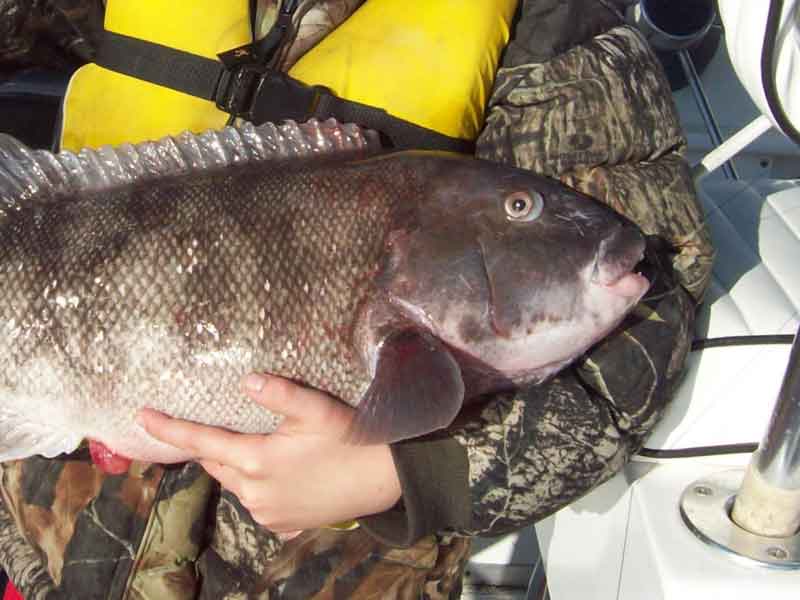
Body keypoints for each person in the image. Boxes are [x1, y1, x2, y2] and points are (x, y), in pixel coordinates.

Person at [0, 1, 712, 598]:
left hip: (324, 568)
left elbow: (646, 331)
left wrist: (395, 476)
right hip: (63, 532)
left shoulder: (556, 26)